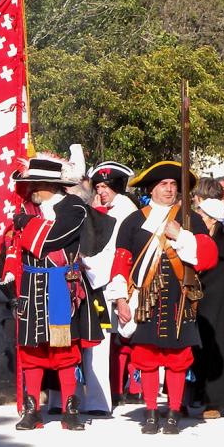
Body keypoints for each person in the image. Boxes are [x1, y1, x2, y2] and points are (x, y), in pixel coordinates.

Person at [109, 161, 219, 435]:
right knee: (146, 356)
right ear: (151, 189)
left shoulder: (190, 219)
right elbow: (121, 262)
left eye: (173, 185)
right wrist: (121, 299)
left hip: (179, 299)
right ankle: (150, 411)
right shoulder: (134, 221)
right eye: (163, 185)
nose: (169, 189)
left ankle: (173, 412)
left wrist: (180, 235)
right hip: (145, 299)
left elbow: (208, 256)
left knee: (177, 357)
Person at [2, 154, 110, 431]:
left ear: (49, 185)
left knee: (65, 350)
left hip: (62, 287)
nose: (30, 189)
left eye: (35, 184)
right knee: (32, 350)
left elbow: (53, 239)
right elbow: (14, 245)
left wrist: (25, 223)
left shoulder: (74, 207)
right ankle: (32, 410)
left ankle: (69, 410)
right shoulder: (28, 207)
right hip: (31, 285)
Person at [81, 160, 140, 413]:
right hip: (102, 279)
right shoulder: (107, 208)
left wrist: (86, 264)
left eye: (105, 187)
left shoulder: (124, 210)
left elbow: (111, 251)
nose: (101, 191)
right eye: (98, 187)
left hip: (109, 282)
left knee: (101, 340)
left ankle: (100, 401)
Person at [191, 198, 224, 418]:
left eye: (202, 215)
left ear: (213, 220)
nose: (198, 219)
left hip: (221, 304)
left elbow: (223, 279)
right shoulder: (198, 239)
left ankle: (215, 401)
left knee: (217, 347)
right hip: (201, 302)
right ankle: (189, 397)